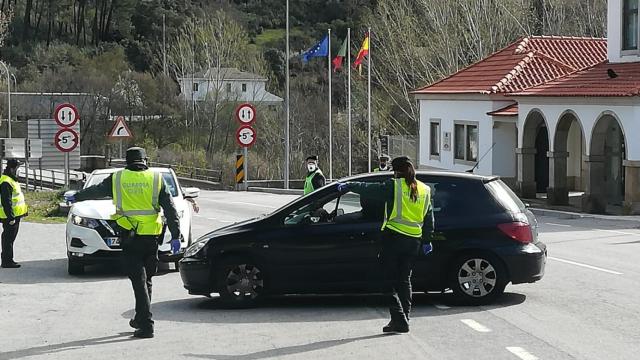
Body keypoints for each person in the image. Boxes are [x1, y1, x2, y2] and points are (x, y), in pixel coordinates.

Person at [66, 147, 181, 339]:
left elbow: (96, 191)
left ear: (126, 161)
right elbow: (170, 208)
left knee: (139, 281)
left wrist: (76, 196)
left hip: (129, 236)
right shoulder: (156, 179)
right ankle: (139, 318)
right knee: (146, 280)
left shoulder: (118, 178)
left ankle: (146, 325)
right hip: (151, 238)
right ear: (146, 161)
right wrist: (176, 235)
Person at [337, 156, 434, 334]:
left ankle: (399, 318)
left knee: (385, 281)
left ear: (396, 171)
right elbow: (429, 218)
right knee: (404, 281)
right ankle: (403, 319)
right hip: (414, 241)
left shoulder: (394, 186)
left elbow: (371, 189)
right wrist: (427, 240)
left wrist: (350, 185)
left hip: (394, 239)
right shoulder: (425, 189)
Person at [0, 159, 28, 269]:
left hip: (15, 215)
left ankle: (7, 259)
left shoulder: (11, 179)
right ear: (12, 168)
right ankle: (7, 261)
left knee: (10, 238)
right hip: (10, 216)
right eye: (17, 168)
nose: (19, 170)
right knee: (8, 238)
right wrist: (10, 217)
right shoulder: (6, 181)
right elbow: (6, 201)